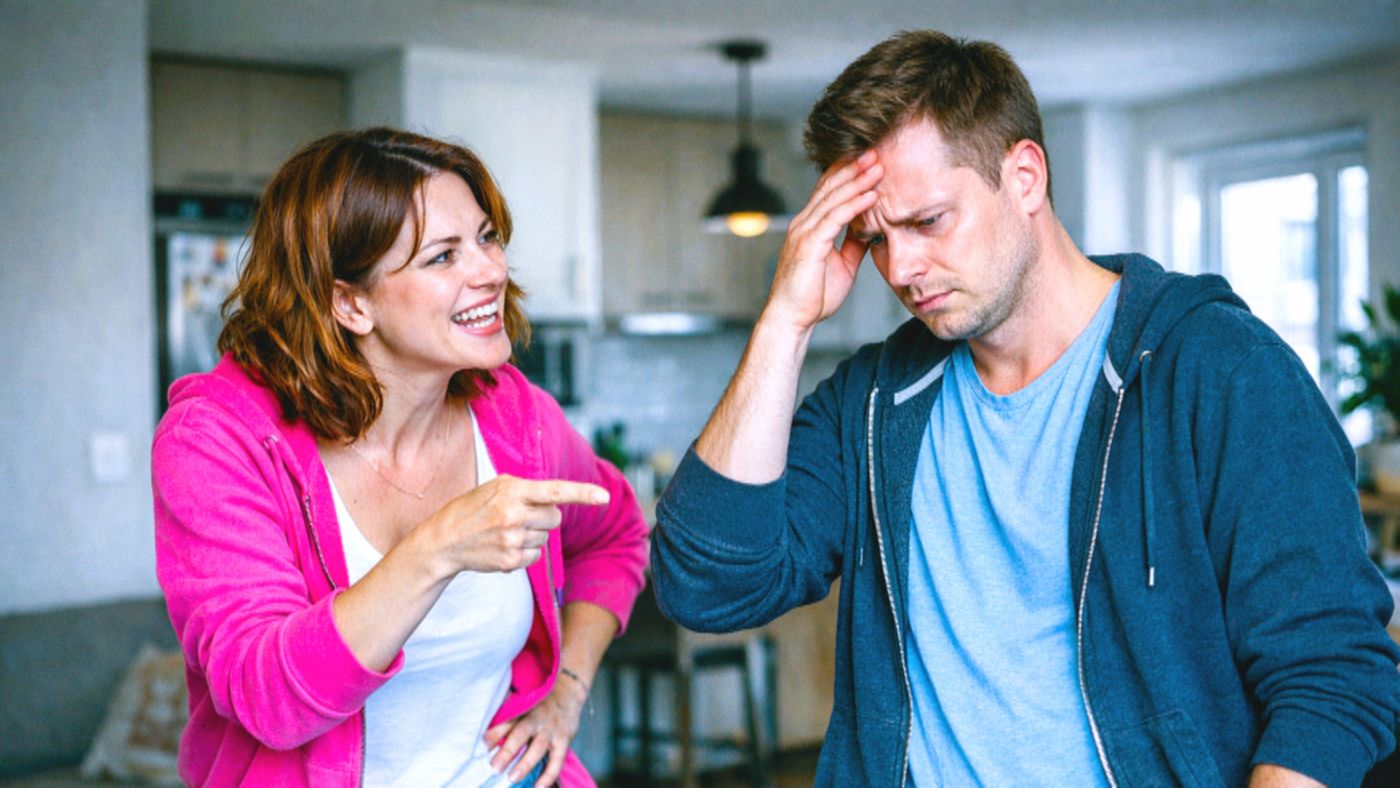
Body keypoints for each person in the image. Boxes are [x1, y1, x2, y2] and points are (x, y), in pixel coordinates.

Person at [650, 30, 1400, 787]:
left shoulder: (1218, 370)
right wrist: (785, 319)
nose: (901, 268)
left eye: (928, 221)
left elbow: (1333, 680)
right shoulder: (873, 403)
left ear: (1025, 177)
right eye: (872, 238)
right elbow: (705, 585)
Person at [152, 128, 648, 787]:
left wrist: (568, 691)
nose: (491, 271)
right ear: (351, 303)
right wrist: (438, 547)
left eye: (487, 238)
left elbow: (615, 535)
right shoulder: (218, 441)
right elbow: (269, 699)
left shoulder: (513, 416)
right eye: (443, 256)